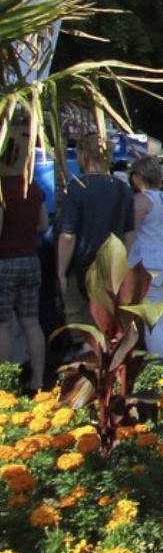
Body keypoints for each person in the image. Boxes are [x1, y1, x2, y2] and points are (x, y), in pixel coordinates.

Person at [56, 132, 135, 337]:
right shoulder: (122, 189)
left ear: (83, 154)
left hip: (82, 266)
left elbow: (68, 236)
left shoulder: (76, 188)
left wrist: (61, 272)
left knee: (82, 327)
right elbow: (129, 232)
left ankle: (87, 365)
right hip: (112, 268)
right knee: (109, 326)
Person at [0, 133, 48, 391]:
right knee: (31, 322)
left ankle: (5, 384)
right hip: (30, 260)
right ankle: (38, 380)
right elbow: (43, 224)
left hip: (4, 262)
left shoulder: (1, 188)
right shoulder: (33, 187)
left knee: (2, 325)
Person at [127, 155, 163, 360]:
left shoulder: (142, 199)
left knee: (149, 318)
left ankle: (157, 363)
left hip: (146, 263)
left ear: (139, 176)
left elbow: (130, 232)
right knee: (157, 318)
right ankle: (162, 360)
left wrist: (123, 258)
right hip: (162, 259)